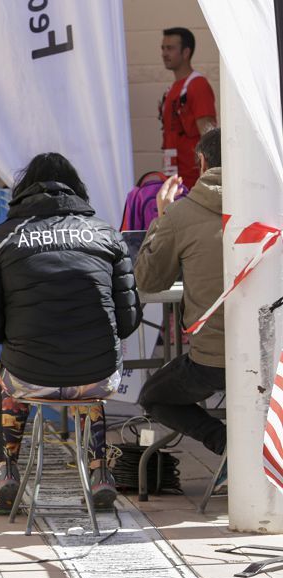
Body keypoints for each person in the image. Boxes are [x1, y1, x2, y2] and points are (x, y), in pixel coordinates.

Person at [0, 153, 142, 514]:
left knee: (9, 378)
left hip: (28, 377)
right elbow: (128, 321)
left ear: (22, 191)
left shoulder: (2, 239)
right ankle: (98, 472)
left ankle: (8, 470)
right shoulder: (107, 235)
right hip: (96, 378)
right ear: (77, 190)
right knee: (87, 380)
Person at [136, 129, 226, 471]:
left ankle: (227, 445)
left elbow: (147, 280)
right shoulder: (272, 202)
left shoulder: (180, 215)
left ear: (202, 162)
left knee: (153, 396)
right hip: (272, 355)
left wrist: (162, 216)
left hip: (212, 361)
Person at [160, 27, 217, 190]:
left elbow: (208, 137)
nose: (164, 53)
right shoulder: (172, 89)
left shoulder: (197, 85)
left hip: (193, 181)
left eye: (170, 48)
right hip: (174, 177)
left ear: (186, 52)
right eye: (163, 48)